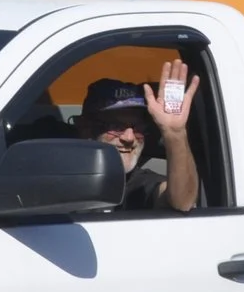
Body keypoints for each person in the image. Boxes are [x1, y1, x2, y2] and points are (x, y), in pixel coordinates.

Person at [74, 60, 203, 213]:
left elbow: (183, 202)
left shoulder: (140, 185)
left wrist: (175, 133)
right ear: (85, 128)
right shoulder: (60, 174)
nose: (129, 138)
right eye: (116, 127)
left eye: (137, 128)